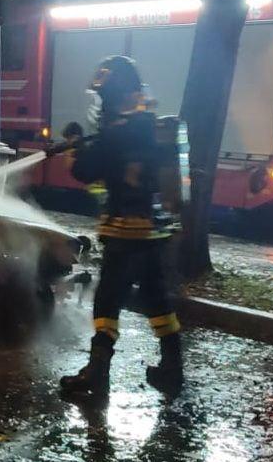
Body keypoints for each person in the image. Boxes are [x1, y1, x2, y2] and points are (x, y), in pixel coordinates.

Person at [59, 56, 182, 399]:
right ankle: (173, 368)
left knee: (107, 301)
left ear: (112, 96)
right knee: (157, 300)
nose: (100, 105)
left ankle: (97, 373)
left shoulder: (115, 134)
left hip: (124, 233)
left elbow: (84, 171)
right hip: (153, 233)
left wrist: (75, 144)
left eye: (102, 98)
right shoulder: (147, 126)